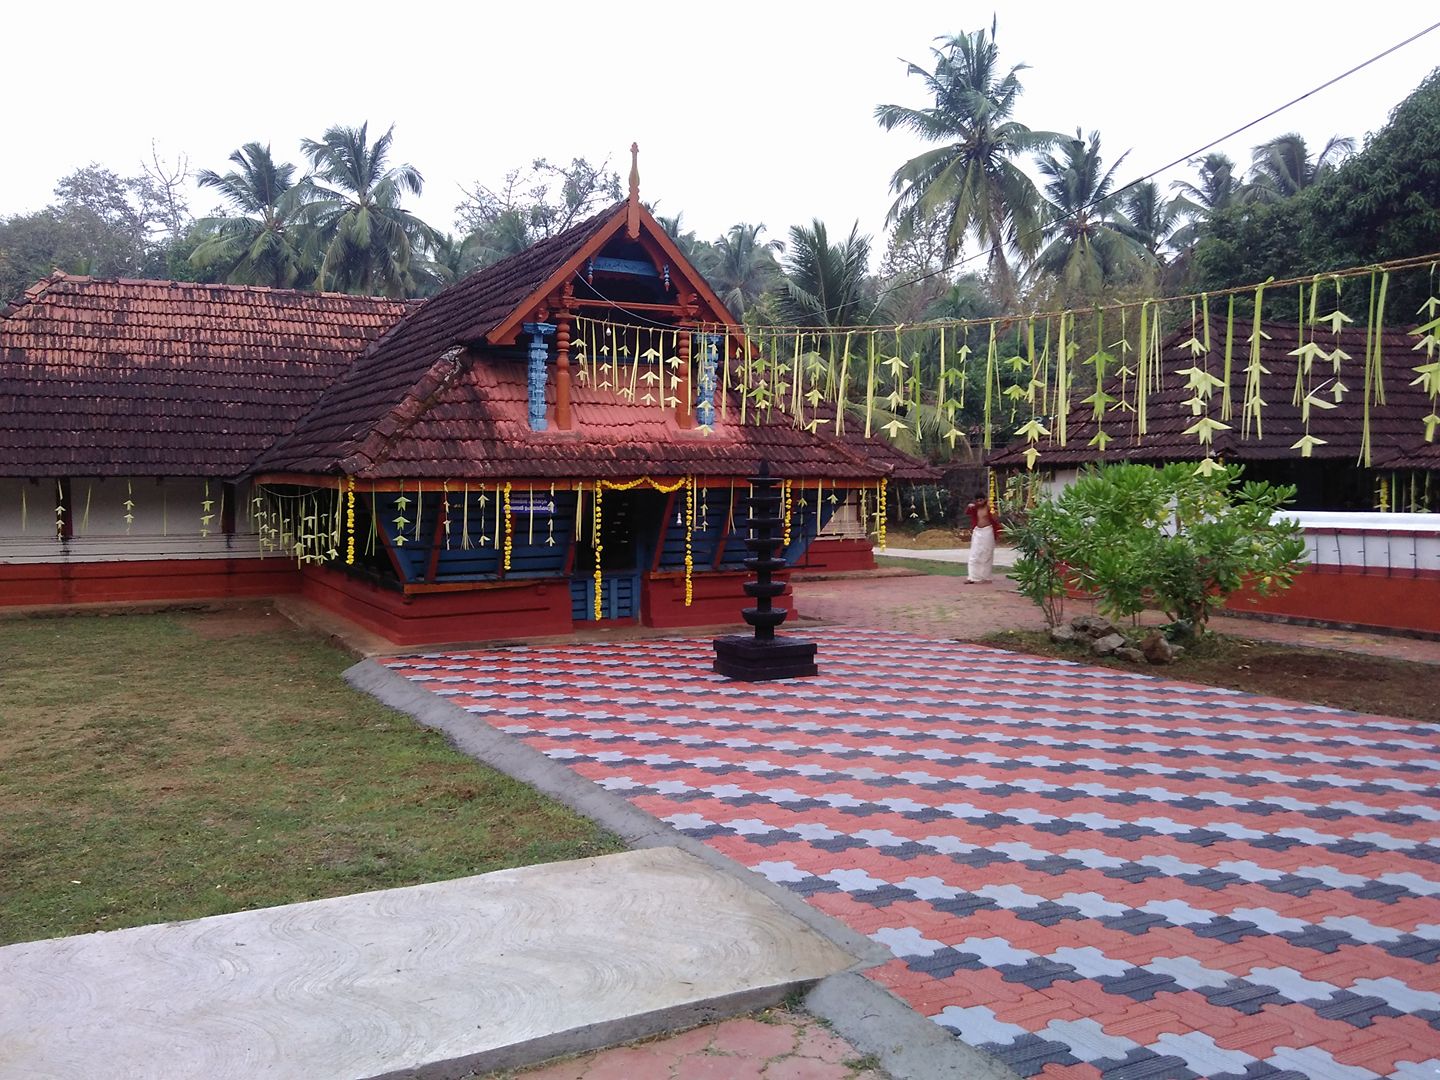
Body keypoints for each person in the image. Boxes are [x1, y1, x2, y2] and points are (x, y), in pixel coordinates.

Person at [964, 492, 1000, 584]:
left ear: (985, 499)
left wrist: (992, 509)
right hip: (977, 531)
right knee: (974, 554)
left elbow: (996, 518)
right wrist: (970, 506)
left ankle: (986, 576)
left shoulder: (990, 507)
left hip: (988, 531)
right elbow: (967, 512)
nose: (979, 502)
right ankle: (972, 577)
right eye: (977, 500)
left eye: (981, 500)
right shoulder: (975, 507)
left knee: (987, 554)